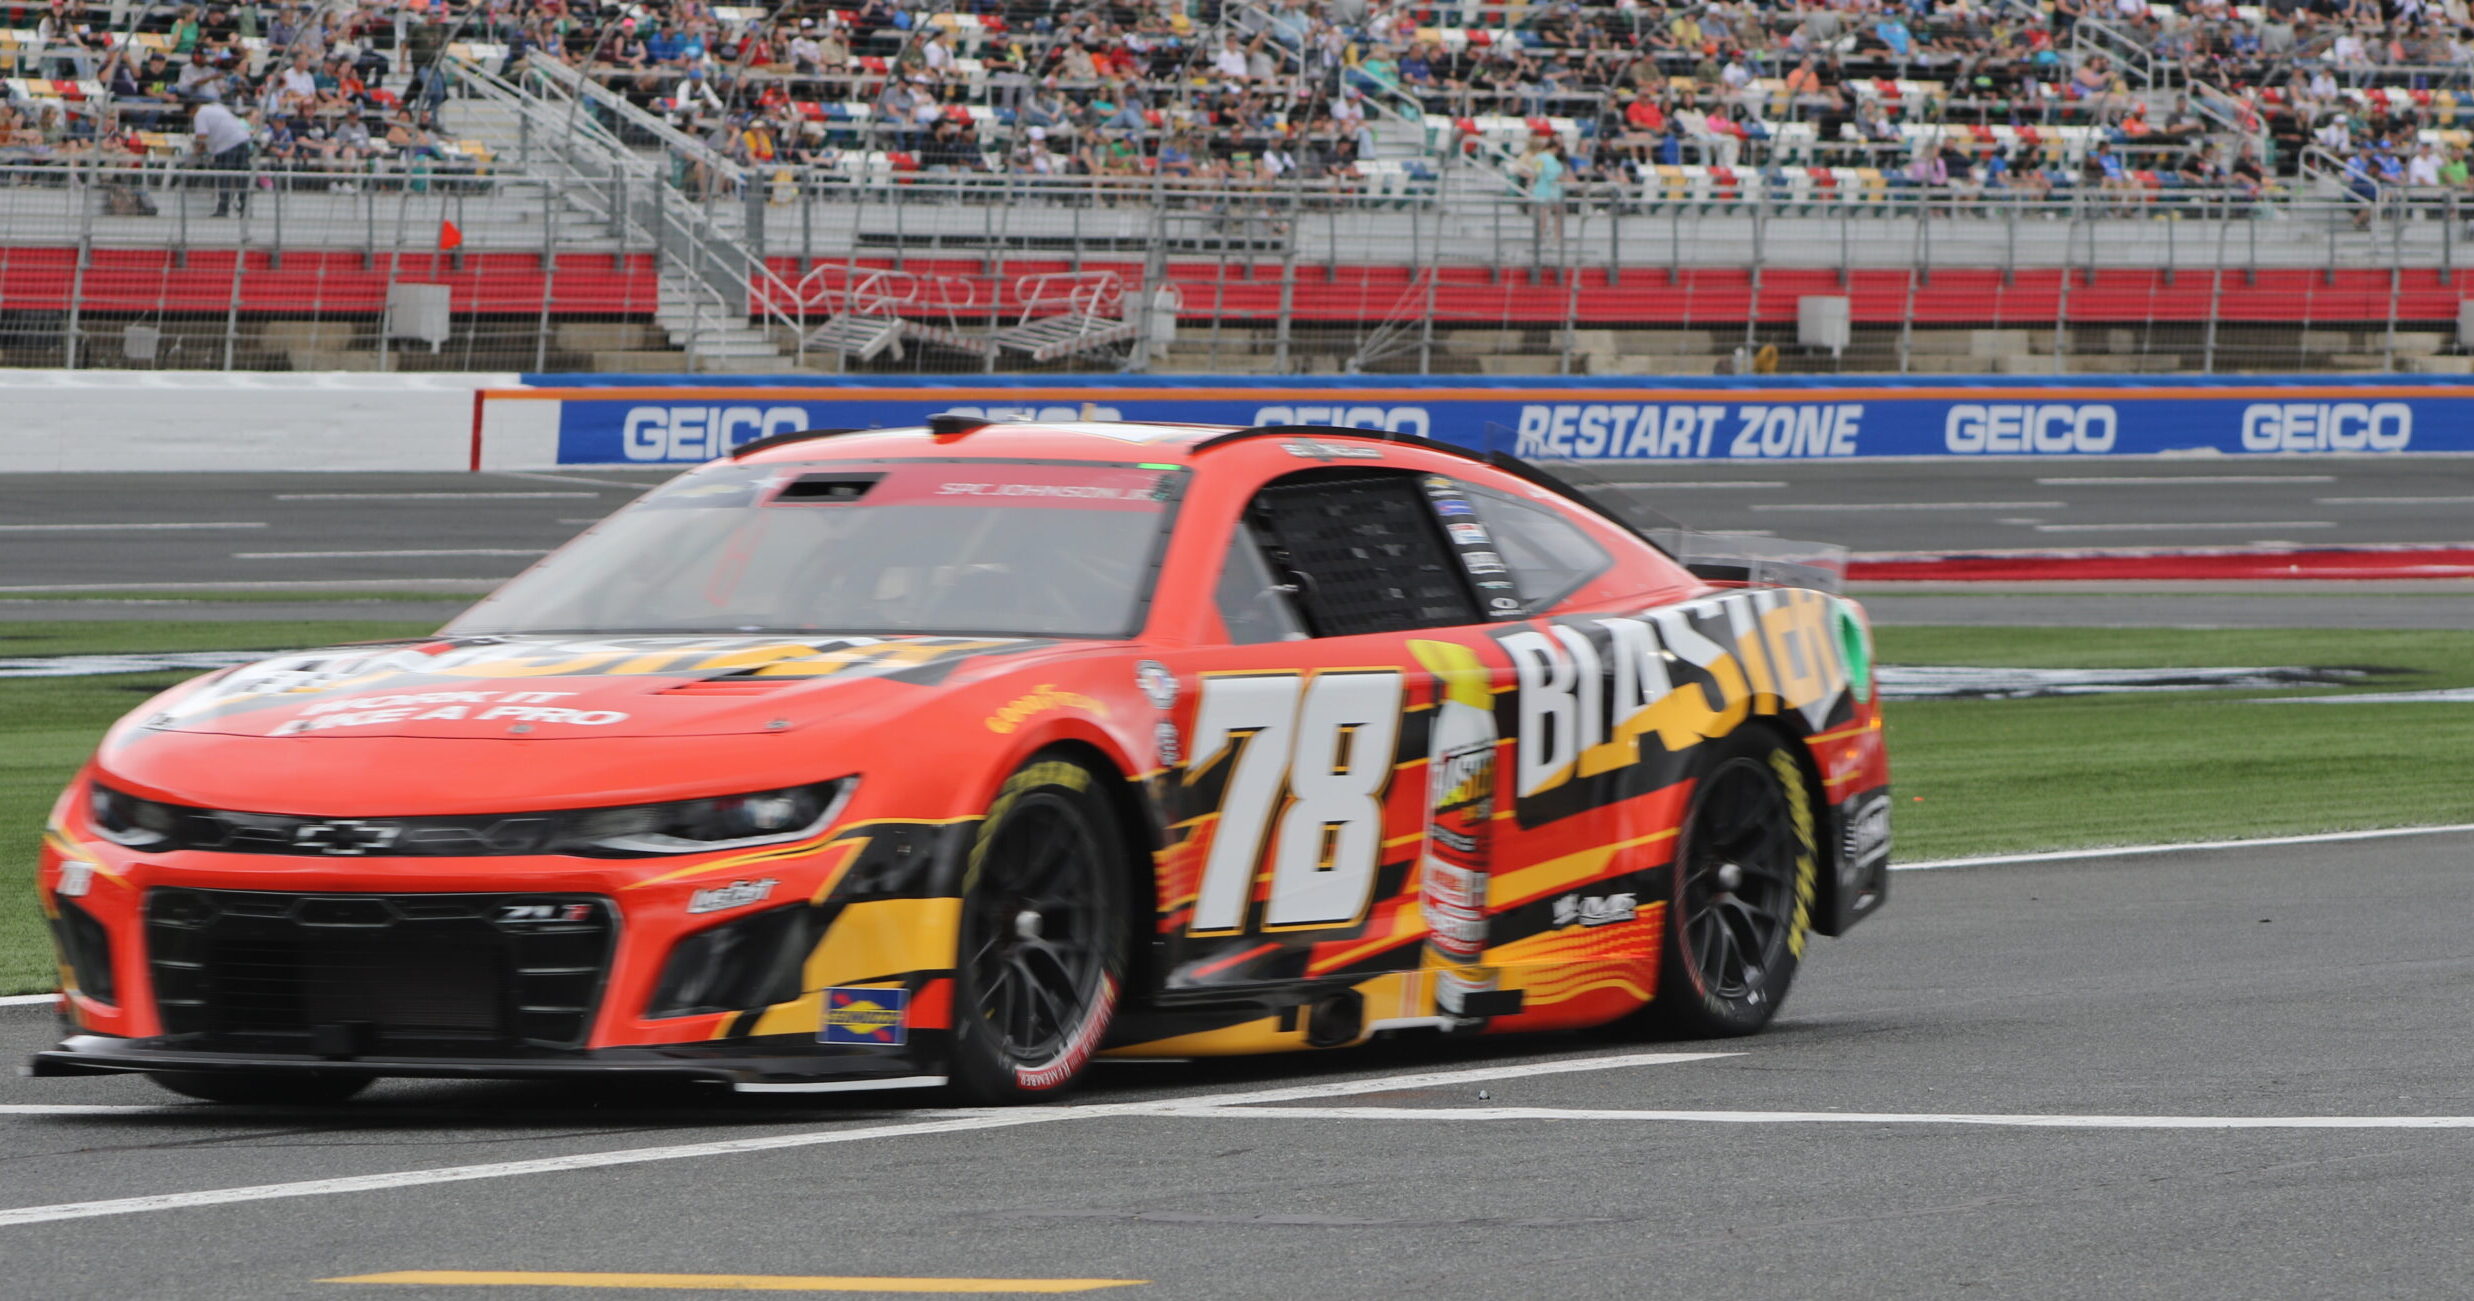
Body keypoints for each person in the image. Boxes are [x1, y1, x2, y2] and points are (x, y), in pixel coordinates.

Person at [189, 89, 252, 216]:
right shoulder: (218, 107)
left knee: (224, 177)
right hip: (242, 140)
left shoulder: (200, 114)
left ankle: (223, 209)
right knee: (243, 176)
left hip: (226, 146)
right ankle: (245, 208)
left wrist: (196, 153)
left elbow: (202, 137)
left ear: (191, 110)